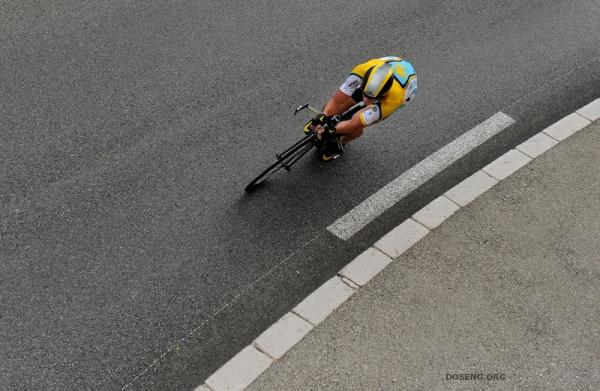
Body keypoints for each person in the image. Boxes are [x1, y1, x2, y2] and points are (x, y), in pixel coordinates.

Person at [305, 56, 418, 161]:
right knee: (343, 103)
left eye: (371, 98)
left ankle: (341, 141)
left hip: (405, 92)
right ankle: (326, 120)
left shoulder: (394, 99)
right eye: (364, 94)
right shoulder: (361, 70)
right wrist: (323, 115)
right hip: (387, 65)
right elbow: (337, 100)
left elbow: (355, 123)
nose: (365, 101)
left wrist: (334, 130)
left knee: (357, 126)